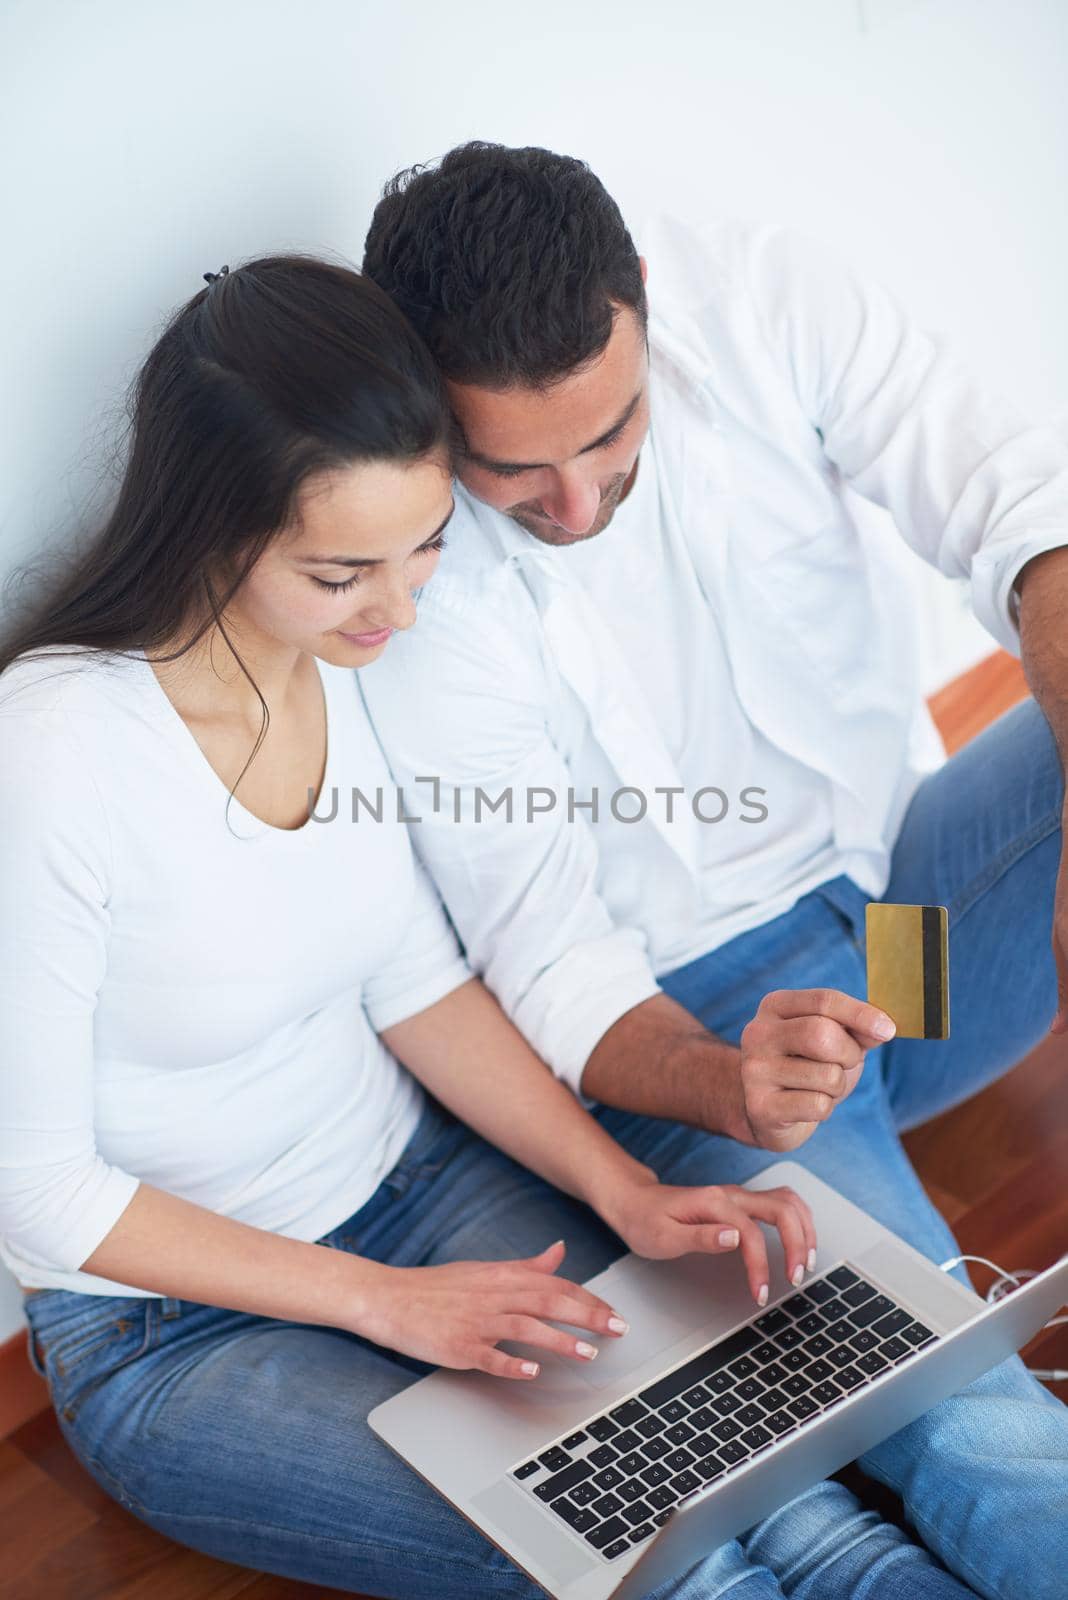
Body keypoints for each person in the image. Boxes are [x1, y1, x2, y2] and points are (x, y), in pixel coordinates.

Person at [0, 255, 978, 1600]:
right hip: (173, 1333)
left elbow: (420, 986)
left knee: (789, 1487)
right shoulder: (53, 755)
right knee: (666, 1556)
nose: (401, 610)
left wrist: (620, 1191)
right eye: (346, 570)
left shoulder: (330, 666)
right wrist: (386, 1305)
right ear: (211, 528)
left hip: (422, 1192)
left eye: (425, 548)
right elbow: (39, 1193)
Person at [358, 142, 1068, 1599]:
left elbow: (1022, 503)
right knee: (950, 1394)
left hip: (905, 938)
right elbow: (552, 964)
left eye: (610, 434)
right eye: (514, 467)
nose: (574, 499)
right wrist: (726, 1088)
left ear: (643, 323)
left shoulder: (753, 294)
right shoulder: (411, 589)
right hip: (719, 1028)